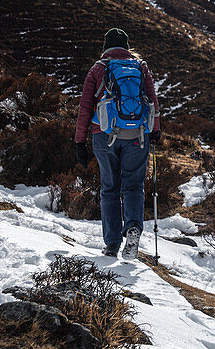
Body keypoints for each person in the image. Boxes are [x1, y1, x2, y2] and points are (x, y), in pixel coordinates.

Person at [75, 28, 161, 259]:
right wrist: (155, 130)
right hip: (137, 136)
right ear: (126, 45)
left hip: (103, 135)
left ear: (106, 46)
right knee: (133, 186)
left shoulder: (98, 68)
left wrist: (79, 141)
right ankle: (133, 227)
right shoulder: (141, 68)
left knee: (110, 188)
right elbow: (152, 101)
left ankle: (112, 242)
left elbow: (85, 108)